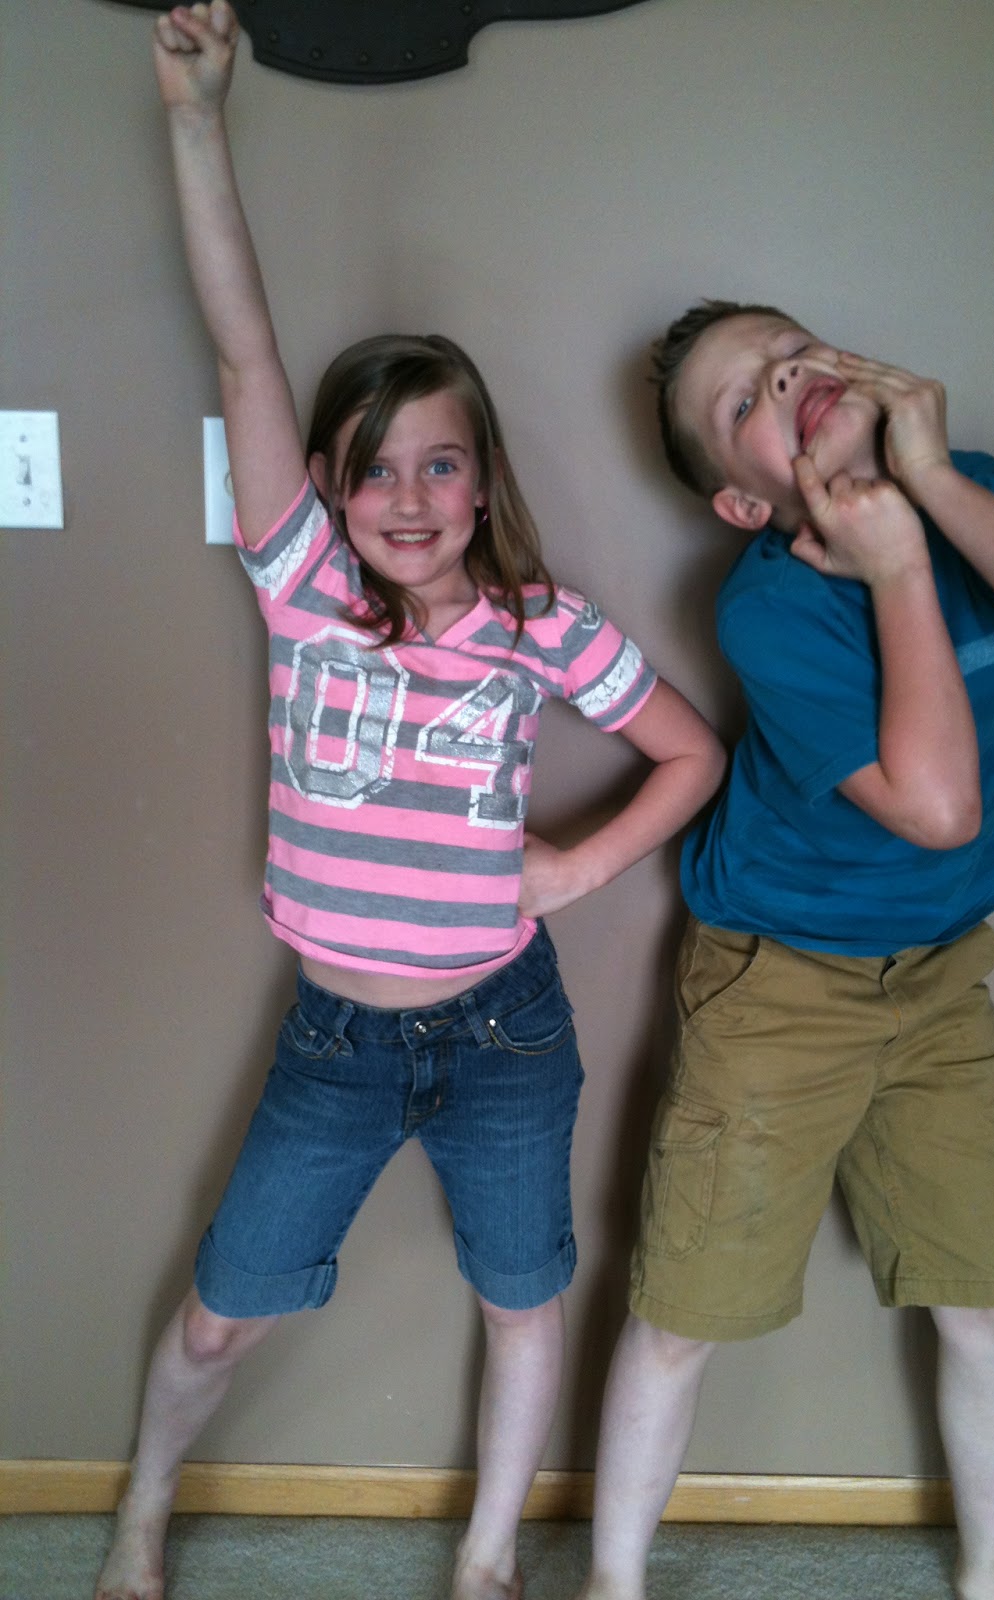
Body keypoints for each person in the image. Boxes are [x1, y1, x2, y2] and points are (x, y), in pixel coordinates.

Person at [95, 10, 726, 1600]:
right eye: (372, 469)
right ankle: (140, 1513)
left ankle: (488, 1561)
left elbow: (693, 755)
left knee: (523, 1301)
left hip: (506, 1032)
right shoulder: (303, 588)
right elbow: (245, 350)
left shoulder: (541, 626)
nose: (407, 498)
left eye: (440, 465)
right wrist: (196, 118)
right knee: (219, 1315)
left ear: (483, 480)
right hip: (337, 1042)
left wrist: (575, 869)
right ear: (323, 486)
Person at [575, 301, 994, 1600]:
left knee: (989, 1302)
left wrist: (934, 486)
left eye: (792, 352)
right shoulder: (771, 604)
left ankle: (992, 1574)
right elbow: (938, 807)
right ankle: (611, 1583)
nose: (784, 380)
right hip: (778, 978)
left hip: (940, 973)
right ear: (744, 502)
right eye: (744, 402)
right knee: (686, 1308)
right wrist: (896, 566)